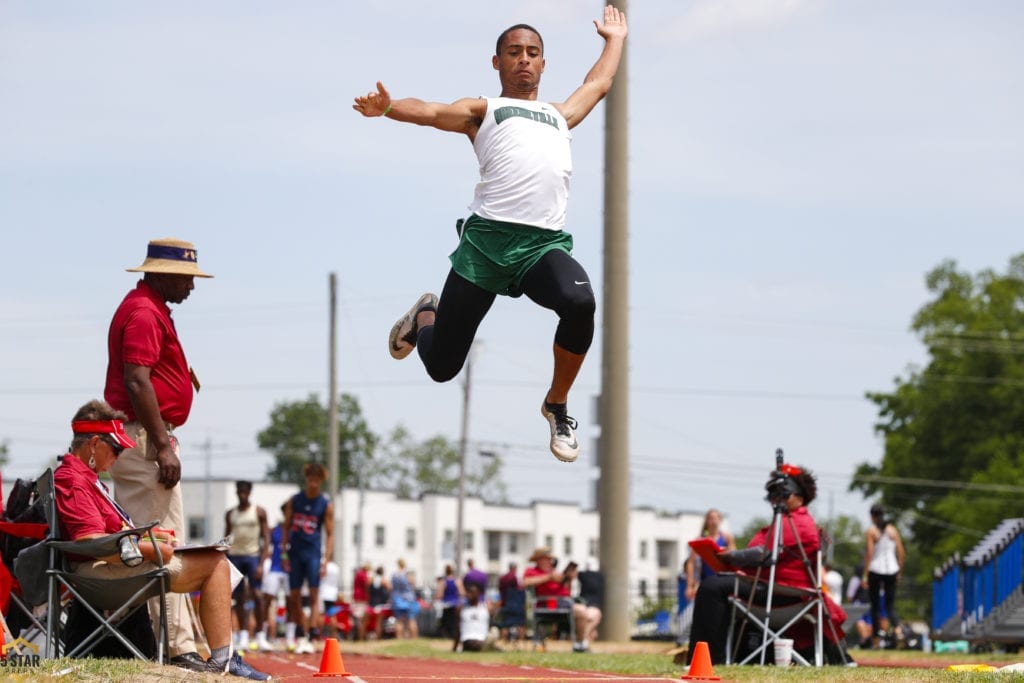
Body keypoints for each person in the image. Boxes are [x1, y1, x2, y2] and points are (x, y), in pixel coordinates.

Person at [353, 6, 628, 464]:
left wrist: (614, 39)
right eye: (514, 52)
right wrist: (389, 108)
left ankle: (556, 404)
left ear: (543, 63)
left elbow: (598, 85)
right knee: (442, 368)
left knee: (580, 302)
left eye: (533, 53)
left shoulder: (560, 115)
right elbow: (433, 111)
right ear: (497, 61)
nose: (524, 59)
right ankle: (425, 316)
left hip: (541, 246)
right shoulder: (485, 111)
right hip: (485, 248)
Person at [54, 400, 269, 680]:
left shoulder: (85, 479)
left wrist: (151, 537)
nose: (118, 457)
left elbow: (106, 535)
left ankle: (222, 659)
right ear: (94, 444)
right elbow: (91, 540)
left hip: (106, 569)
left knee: (213, 559)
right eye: (116, 449)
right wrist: (149, 549)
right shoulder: (74, 480)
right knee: (216, 563)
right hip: (98, 577)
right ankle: (223, 662)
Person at [104, 237, 212, 672]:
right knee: (161, 545)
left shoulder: (147, 307)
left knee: (158, 543)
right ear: (162, 273)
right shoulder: (146, 312)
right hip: (146, 439)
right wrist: (163, 444)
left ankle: (169, 642)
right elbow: (136, 380)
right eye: (186, 278)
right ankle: (176, 648)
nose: (191, 287)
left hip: (143, 436)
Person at [687, 466, 846, 665]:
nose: (774, 501)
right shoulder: (796, 521)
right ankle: (716, 655)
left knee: (711, 587)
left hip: (780, 593)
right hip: (781, 589)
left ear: (796, 496)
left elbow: (766, 553)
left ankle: (709, 659)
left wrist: (729, 557)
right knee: (717, 586)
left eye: (780, 496)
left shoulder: (796, 522)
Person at [282, 463, 335, 654]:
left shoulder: (325, 504)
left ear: (320, 481)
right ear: (306, 479)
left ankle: (312, 634)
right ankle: (301, 631)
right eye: (310, 479)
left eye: (316, 480)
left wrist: (326, 560)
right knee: (294, 596)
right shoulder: (294, 501)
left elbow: (330, 534)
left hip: (313, 554)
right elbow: (286, 528)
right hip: (295, 553)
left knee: (314, 594)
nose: (313, 483)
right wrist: (284, 554)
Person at [224, 480, 271, 652]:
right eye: (239, 492)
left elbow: (266, 538)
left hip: (253, 557)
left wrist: (262, 562)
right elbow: (226, 537)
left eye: (245, 492)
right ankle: (242, 635)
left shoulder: (258, 512)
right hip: (236, 557)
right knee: (240, 598)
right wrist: (224, 556)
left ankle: (260, 635)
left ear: (250, 493)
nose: (242, 495)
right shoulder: (231, 514)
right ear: (237, 493)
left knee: (258, 596)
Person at [864, 503, 905, 647]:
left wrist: (865, 574)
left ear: (872, 516)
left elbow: (869, 554)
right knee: (890, 605)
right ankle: (898, 630)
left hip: (875, 569)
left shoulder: (871, 531)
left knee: (875, 606)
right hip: (892, 570)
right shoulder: (893, 530)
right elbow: (901, 552)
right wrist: (899, 571)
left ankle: (876, 638)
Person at [684, 509, 737, 605]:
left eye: (716, 518)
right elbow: (690, 562)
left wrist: (727, 551)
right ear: (706, 521)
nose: (713, 521)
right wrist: (689, 585)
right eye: (710, 518)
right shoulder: (701, 540)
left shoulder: (727, 537)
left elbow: (735, 556)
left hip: (723, 579)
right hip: (705, 581)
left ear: (720, 520)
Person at [257, 506, 288, 649]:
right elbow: (264, 539)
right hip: (275, 568)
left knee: (292, 601)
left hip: (290, 571)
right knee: (266, 599)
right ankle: (261, 635)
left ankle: (291, 636)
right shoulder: (274, 529)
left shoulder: (295, 531)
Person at [452, 583, 494, 652]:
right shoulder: (461, 609)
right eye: (467, 592)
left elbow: (490, 626)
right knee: (472, 643)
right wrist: (455, 647)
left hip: (482, 641)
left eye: (471, 592)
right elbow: (458, 629)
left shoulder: (486, 609)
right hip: (467, 640)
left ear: (478, 593)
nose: (468, 595)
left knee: (495, 631)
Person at [574, 561, 604, 653]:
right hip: (581, 605)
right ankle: (582, 642)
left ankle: (582, 642)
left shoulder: (582, 575)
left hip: (587, 605)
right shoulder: (598, 577)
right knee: (587, 615)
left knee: (592, 616)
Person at [390, 559, 420, 639]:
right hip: (409, 599)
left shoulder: (394, 575)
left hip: (397, 599)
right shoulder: (408, 574)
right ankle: (414, 638)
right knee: (411, 620)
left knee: (399, 621)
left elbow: (392, 587)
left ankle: (399, 638)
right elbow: (413, 584)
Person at [496, 561, 525, 642]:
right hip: (515, 604)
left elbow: (500, 589)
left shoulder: (502, 578)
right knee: (520, 624)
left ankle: (503, 641)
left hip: (504, 603)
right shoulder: (513, 577)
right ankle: (521, 641)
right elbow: (517, 590)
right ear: (515, 568)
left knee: (504, 624)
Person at [435, 563, 464, 640]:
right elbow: (462, 593)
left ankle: (446, 636)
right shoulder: (457, 581)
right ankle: (453, 635)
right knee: (454, 622)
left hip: (446, 605)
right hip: (455, 605)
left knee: (445, 622)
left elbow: (439, 594)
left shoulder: (443, 582)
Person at [351, 562, 371, 640]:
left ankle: (360, 636)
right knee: (362, 618)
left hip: (357, 597)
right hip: (362, 598)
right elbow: (366, 585)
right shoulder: (363, 574)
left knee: (359, 618)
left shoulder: (358, 574)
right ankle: (361, 637)